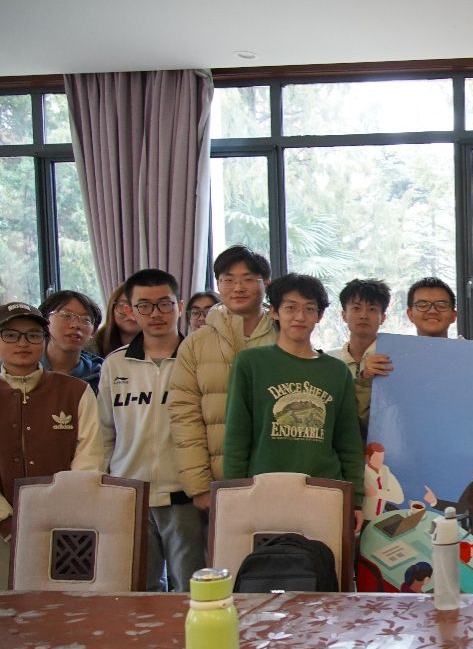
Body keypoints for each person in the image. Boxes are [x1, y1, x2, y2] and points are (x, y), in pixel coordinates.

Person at [222, 273, 364, 527]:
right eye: (290, 308)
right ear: (274, 312)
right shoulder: (250, 363)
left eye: (309, 309)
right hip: (264, 489)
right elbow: (236, 436)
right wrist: (233, 493)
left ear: (319, 316)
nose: (300, 316)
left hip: (324, 490)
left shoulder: (337, 371)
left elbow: (348, 442)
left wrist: (356, 500)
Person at [97, 269, 205, 592]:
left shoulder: (199, 360)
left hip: (185, 496)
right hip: (130, 494)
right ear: (130, 310)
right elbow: (103, 432)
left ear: (180, 306)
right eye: (144, 305)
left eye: (164, 304)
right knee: (138, 591)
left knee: (191, 589)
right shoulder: (115, 364)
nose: (155, 314)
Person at [169, 245, 277, 513]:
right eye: (228, 280)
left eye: (248, 279)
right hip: (219, 480)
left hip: (276, 474)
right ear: (218, 284)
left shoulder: (284, 337)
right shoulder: (196, 344)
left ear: (266, 283)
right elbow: (184, 415)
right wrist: (199, 485)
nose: (237, 287)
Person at [0, 302, 101, 587]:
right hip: (1, 528)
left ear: (45, 340)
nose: (23, 343)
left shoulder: (75, 391)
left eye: (33, 335)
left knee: (64, 602)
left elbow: (90, 458)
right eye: (11, 335)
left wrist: (59, 512)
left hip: (65, 524)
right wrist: (7, 521)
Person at [329, 278, 393, 434]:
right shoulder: (329, 361)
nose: (364, 315)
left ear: (383, 317)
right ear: (344, 315)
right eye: (356, 308)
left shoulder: (390, 361)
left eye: (372, 309)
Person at [38, 290, 104, 391]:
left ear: (93, 332)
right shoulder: (26, 367)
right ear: (45, 321)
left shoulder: (101, 373)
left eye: (86, 319)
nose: (75, 325)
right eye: (66, 315)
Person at [89, 283, 141, 358]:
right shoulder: (91, 348)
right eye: (123, 305)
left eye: (141, 306)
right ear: (112, 308)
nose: (131, 313)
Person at [363, 441, 404, 519]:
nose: (380, 461)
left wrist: (377, 493)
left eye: (381, 458)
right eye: (376, 458)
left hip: (380, 516)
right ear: (367, 458)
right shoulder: (362, 473)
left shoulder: (385, 471)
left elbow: (399, 498)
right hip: (364, 518)